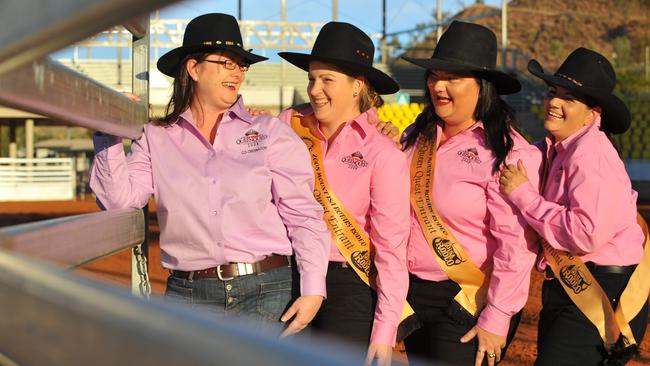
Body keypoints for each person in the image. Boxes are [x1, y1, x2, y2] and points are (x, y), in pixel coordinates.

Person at [89, 13, 331, 337]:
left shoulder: (270, 132)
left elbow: (303, 214)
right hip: (189, 296)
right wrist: (108, 134)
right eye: (227, 63)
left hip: (267, 290)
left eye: (241, 64)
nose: (238, 72)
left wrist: (313, 287)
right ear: (194, 69)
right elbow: (119, 200)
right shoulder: (156, 138)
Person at [399, 21, 542, 366]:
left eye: (454, 78)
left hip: (469, 298)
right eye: (434, 75)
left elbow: (516, 245)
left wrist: (497, 315)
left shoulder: (508, 152)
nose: (439, 86)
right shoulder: (414, 137)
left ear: (483, 86)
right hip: (412, 294)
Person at [499, 47, 649, 366]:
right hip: (576, 283)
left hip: (601, 289)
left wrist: (524, 195)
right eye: (553, 92)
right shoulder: (561, 147)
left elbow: (585, 235)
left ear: (593, 113)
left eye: (569, 99)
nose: (553, 102)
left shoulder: (591, 155)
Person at [276, 22, 411, 366]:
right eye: (311, 78)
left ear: (358, 86)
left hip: (350, 285)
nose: (315, 90)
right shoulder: (286, 127)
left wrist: (385, 329)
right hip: (288, 274)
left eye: (327, 80)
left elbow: (391, 246)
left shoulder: (383, 152)